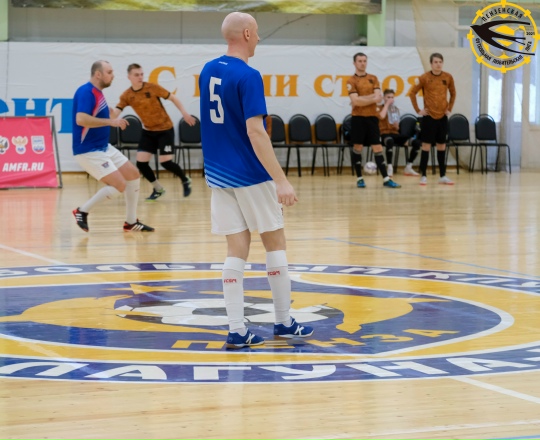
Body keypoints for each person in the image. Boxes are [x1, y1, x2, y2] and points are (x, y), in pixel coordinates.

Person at [199, 11, 314, 349]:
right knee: (275, 243)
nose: (260, 38)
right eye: (258, 32)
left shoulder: (208, 70)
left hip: (217, 174)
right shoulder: (249, 76)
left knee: (235, 250)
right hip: (250, 173)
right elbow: (256, 132)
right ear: (247, 34)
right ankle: (283, 321)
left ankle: (237, 330)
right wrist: (281, 180)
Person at [71, 61, 154, 233]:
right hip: (88, 150)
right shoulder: (86, 91)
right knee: (119, 185)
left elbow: (100, 115)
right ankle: (82, 211)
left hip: (103, 147)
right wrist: (111, 121)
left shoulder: (98, 93)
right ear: (98, 74)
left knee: (133, 174)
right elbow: (81, 119)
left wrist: (110, 114)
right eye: (109, 72)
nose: (113, 75)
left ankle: (131, 222)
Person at [111, 63, 196, 201]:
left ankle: (185, 179)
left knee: (166, 162)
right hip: (148, 132)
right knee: (141, 164)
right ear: (129, 77)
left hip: (165, 130)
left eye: (141, 74)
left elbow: (173, 98)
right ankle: (158, 189)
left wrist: (185, 114)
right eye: (136, 75)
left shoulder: (152, 87)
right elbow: (115, 113)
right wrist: (109, 116)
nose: (140, 77)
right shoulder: (127, 95)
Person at [346, 53, 401, 189]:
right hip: (358, 118)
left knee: (377, 147)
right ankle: (360, 178)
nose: (362, 63)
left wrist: (361, 99)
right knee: (358, 147)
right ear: (354, 63)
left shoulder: (373, 78)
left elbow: (378, 97)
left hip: (372, 118)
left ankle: (386, 179)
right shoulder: (351, 81)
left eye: (364, 61)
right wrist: (369, 98)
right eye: (360, 61)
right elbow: (355, 101)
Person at [408, 52, 456, 185]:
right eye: (435, 62)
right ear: (431, 64)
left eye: (440, 62)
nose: (438, 64)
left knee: (441, 145)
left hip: (442, 117)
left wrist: (449, 108)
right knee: (426, 146)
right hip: (429, 117)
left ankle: (442, 175)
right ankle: (423, 175)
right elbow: (412, 93)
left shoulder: (448, 77)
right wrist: (418, 110)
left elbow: (453, 93)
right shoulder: (424, 77)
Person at [377, 89, 421, 176]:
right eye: (388, 97)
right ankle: (390, 167)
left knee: (416, 142)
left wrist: (397, 126)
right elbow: (381, 117)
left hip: (395, 133)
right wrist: (387, 105)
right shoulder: (378, 108)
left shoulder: (395, 109)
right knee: (390, 141)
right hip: (384, 133)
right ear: (384, 98)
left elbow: (397, 127)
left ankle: (409, 166)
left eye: (392, 97)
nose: (390, 99)